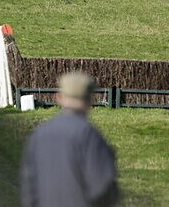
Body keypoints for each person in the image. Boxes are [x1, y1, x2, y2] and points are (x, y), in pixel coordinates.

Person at [20, 72, 118, 207]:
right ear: (90, 99)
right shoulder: (88, 135)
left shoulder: (39, 134)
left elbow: (29, 189)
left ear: (59, 97)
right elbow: (102, 187)